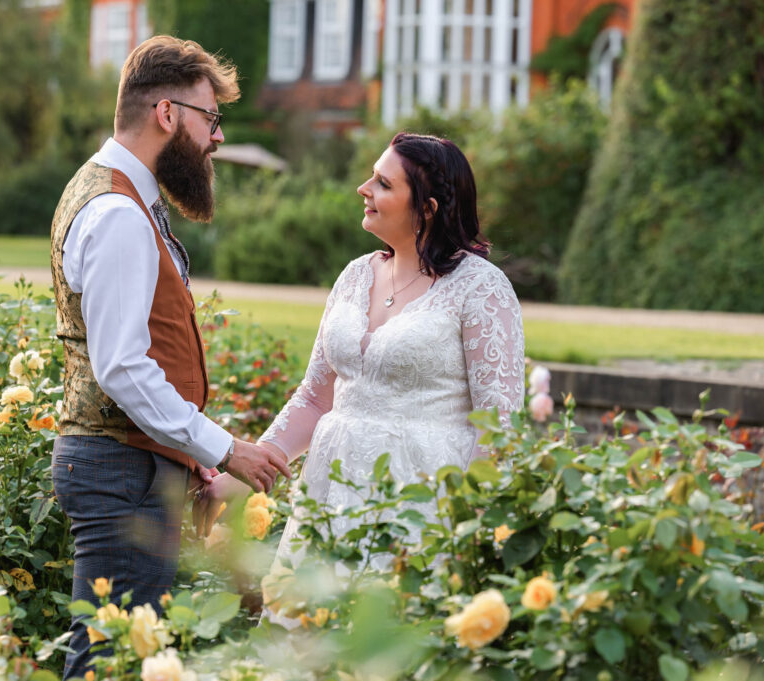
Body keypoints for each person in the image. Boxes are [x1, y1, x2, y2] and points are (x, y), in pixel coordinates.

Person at [48, 36, 290, 679]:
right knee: (109, 661)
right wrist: (223, 448)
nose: (215, 139)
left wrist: (186, 458)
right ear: (166, 114)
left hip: (131, 462)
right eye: (211, 120)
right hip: (118, 468)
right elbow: (123, 366)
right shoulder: (118, 213)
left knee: (122, 655)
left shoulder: (117, 197)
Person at [194, 131, 525, 590]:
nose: (363, 189)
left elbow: (500, 425)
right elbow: (314, 399)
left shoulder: (481, 288)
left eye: (383, 183)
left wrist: (466, 526)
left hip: (423, 504)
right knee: (306, 634)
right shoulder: (354, 276)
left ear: (427, 209)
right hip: (331, 493)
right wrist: (243, 474)